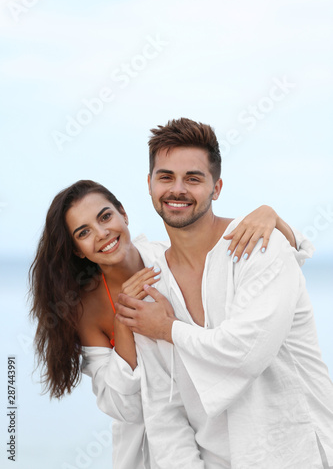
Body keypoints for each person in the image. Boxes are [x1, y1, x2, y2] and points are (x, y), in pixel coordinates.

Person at [29, 178, 309, 469]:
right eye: (84, 232)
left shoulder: (171, 261)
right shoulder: (86, 308)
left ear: (123, 214)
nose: (102, 234)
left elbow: (264, 290)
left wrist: (272, 218)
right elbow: (122, 406)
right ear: (77, 249)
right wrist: (123, 322)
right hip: (147, 446)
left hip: (214, 426)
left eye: (105, 216)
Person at [116, 118, 333, 468]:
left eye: (193, 178)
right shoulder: (151, 283)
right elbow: (163, 406)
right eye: (166, 176)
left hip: (295, 453)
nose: (178, 189)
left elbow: (244, 353)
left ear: (216, 188)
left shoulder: (261, 246)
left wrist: (167, 329)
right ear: (150, 184)